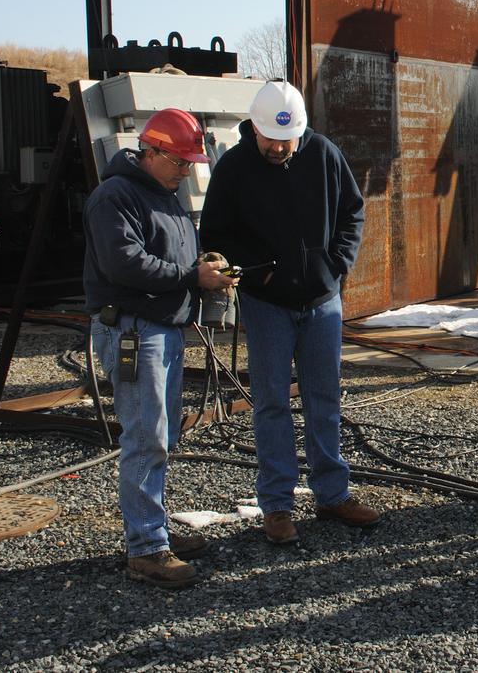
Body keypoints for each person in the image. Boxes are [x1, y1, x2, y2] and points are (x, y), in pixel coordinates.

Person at [200, 80, 377, 545]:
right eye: (270, 139)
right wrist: (259, 274)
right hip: (267, 304)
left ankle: (332, 494)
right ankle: (277, 505)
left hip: (321, 302)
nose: (279, 147)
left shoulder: (324, 154)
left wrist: (334, 267)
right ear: (253, 129)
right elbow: (216, 232)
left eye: (287, 139)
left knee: (325, 398)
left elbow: (352, 213)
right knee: (272, 403)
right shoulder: (235, 168)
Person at [84, 108, 236, 588]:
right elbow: (124, 264)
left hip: (162, 331)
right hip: (132, 330)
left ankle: (153, 531)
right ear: (150, 152)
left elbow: (170, 256)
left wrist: (204, 265)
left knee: (161, 435)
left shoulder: (164, 195)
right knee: (145, 436)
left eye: (191, 163)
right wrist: (193, 276)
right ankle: (147, 547)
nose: (186, 171)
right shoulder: (115, 196)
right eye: (179, 162)